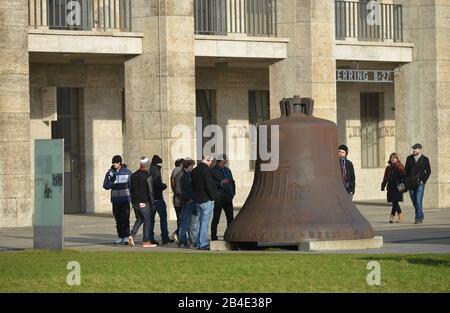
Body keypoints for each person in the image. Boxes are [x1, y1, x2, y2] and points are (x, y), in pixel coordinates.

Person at [191, 155, 220, 250]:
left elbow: (193, 185)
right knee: (204, 222)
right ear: (208, 160)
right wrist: (214, 197)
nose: (211, 164)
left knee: (199, 222)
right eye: (211, 162)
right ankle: (202, 243)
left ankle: (198, 242)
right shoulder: (206, 171)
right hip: (206, 199)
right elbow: (209, 185)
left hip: (197, 199)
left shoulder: (194, 170)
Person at [103, 155, 132, 245]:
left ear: (119, 163)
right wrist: (112, 181)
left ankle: (127, 236)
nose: (114, 164)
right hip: (115, 200)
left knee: (126, 219)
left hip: (125, 199)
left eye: (115, 163)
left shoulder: (127, 172)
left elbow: (132, 186)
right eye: (113, 163)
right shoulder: (110, 173)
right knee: (118, 220)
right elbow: (105, 186)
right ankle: (120, 236)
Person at [129, 157, 157, 248]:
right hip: (144, 201)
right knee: (147, 220)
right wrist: (152, 203)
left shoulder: (133, 175)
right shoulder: (147, 176)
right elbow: (150, 191)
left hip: (135, 201)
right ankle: (146, 241)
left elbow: (130, 188)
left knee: (139, 219)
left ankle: (131, 235)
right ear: (146, 166)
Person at [149, 155, 173, 245]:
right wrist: (164, 186)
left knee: (151, 220)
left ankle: (150, 238)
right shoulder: (156, 170)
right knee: (163, 218)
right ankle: (165, 238)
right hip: (158, 198)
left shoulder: (149, 169)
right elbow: (157, 184)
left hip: (150, 199)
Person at [211, 154, 236, 241]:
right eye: (222, 163)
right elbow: (212, 184)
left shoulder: (227, 170)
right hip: (219, 197)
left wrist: (233, 193)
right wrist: (221, 183)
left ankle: (230, 235)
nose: (224, 164)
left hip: (228, 197)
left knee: (230, 218)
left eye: (225, 163)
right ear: (218, 162)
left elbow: (232, 182)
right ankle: (213, 236)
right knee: (216, 218)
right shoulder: (213, 171)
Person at [405, 143, 431, 224]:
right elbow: (406, 171)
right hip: (410, 183)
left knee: (418, 200)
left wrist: (423, 180)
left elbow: (429, 171)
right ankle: (421, 214)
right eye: (413, 149)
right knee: (414, 201)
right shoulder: (409, 158)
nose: (414, 150)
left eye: (415, 149)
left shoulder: (425, 159)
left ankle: (418, 218)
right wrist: (405, 181)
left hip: (420, 183)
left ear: (420, 149)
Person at [174, 158, 197, 248]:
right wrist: (188, 198)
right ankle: (183, 241)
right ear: (188, 166)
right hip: (184, 202)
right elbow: (178, 190)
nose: (192, 168)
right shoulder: (181, 175)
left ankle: (191, 240)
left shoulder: (187, 174)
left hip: (188, 201)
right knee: (184, 223)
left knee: (190, 222)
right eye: (192, 166)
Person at [381, 153, 405, 224]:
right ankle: (398, 216)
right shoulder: (388, 168)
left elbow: (403, 176)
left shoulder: (400, 166)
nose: (393, 159)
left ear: (397, 159)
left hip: (398, 186)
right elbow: (385, 177)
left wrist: (397, 167)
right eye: (391, 158)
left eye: (394, 158)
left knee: (395, 202)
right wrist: (383, 186)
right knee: (394, 202)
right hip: (391, 186)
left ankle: (395, 217)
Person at [170, 158, 184, 243]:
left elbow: (172, 185)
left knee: (180, 219)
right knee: (183, 219)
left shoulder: (173, 173)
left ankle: (178, 234)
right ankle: (178, 233)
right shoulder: (180, 172)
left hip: (176, 198)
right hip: (181, 199)